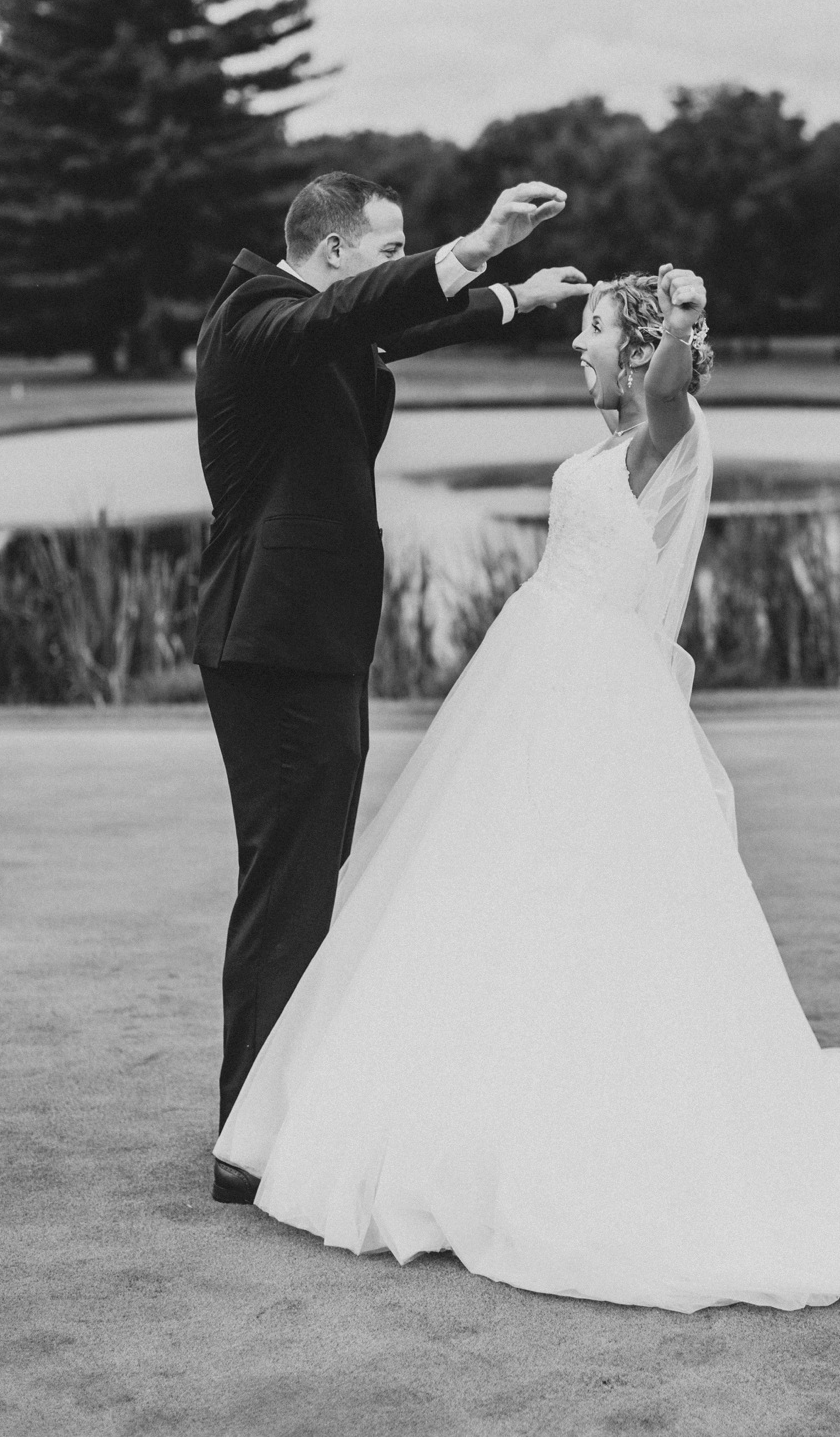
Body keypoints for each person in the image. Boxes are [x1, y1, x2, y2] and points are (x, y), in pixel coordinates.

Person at [213, 267, 840, 1314]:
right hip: (536, 683)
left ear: (638, 351)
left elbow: (675, 391)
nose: (578, 347)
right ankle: (486, 1095)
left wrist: (676, 316)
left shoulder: (662, 434)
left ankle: (582, 1111)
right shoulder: (610, 446)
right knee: (501, 890)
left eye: (594, 333)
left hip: (587, 693)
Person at [190, 170, 592, 1201]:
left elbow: (386, 329)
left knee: (302, 873)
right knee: (286, 884)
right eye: (383, 246)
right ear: (331, 252)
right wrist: (477, 244)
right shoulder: (256, 321)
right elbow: (360, 314)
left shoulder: (307, 322)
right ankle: (248, 1137)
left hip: (304, 636)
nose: (391, 262)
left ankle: (273, 1109)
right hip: (274, 641)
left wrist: (511, 298)